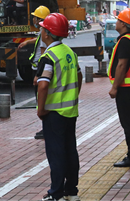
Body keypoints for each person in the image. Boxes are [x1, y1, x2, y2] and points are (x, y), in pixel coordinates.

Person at [35, 12, 82, 201]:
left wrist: (41, 109)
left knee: (56, 154)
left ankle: (56, 193)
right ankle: (71, 191)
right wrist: (72, 96)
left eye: (42, 28)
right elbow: (79, 76)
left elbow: (43, 85)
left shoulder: (49, 56)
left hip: (54, 113)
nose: (40, 31)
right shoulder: (69, 52)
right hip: (70, 111)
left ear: (47, 33)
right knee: (70, 151)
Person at [108, 8, 130, 167]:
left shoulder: (125, 41)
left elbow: (121, 65)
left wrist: (115, 87)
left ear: (124, 24)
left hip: (125, 87)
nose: (116, 22)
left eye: (118, 20)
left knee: (129, 123)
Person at [17, 5, 51, 140]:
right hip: (39, 69)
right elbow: (38, 40)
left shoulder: (44, 32)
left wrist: (38, 75)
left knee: (41, 99)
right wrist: (27, 43)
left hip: (39, 70)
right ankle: (46, 127)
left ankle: (46, 128)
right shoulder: (44, 31)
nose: (33, 20)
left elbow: (43, 56)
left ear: (40, 19)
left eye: (35, 17)